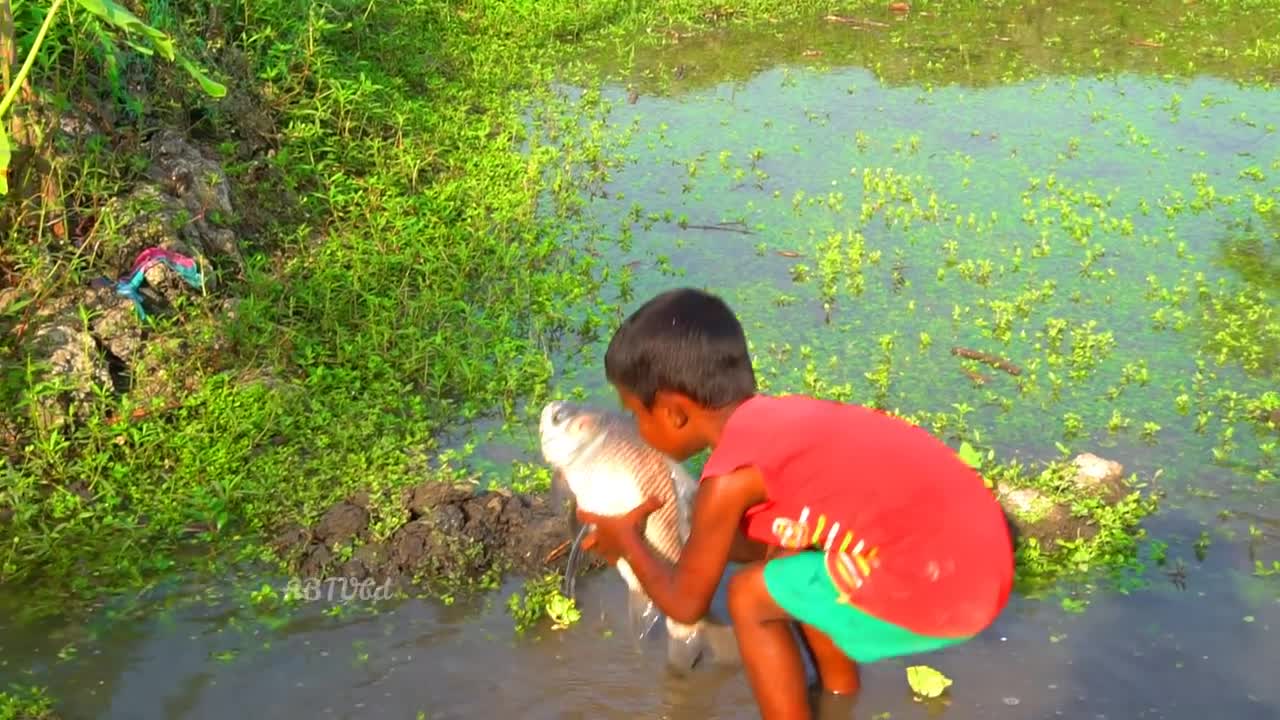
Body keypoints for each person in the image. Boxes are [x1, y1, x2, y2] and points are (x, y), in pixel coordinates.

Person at [575, 287, 1016, 720]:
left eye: (635, 413)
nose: (634, 426)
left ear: (675, 412)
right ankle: (838, 695)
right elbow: (763, 541)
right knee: (790, 567)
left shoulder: (728, 482)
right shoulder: (780, 424)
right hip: (981, 549)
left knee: (748, 597)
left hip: (948, 583)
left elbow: (686, 605)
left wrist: (626, 539)